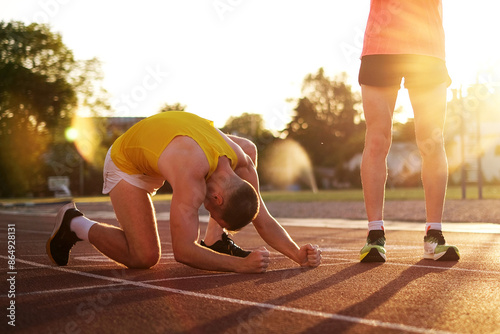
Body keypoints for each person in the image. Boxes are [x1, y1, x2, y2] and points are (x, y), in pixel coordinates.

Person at [46, 111, 321, 273]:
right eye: (213, 214)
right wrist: (240, 265)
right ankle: (75, 223)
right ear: (216, 198)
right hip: (127, 162)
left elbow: (263, 218)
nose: (206, 211)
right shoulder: (192, 175)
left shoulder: (243, 165)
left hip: (168, 146)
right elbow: (183, 251)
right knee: (144, 257)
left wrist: (296, 253)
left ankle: (215, 240)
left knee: (249, 146)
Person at [358, 0, 460, 262]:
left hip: (427, 48)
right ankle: (374, 234)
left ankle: (434, 234)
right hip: (382, 45)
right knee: (377, 139)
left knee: (432, 140)